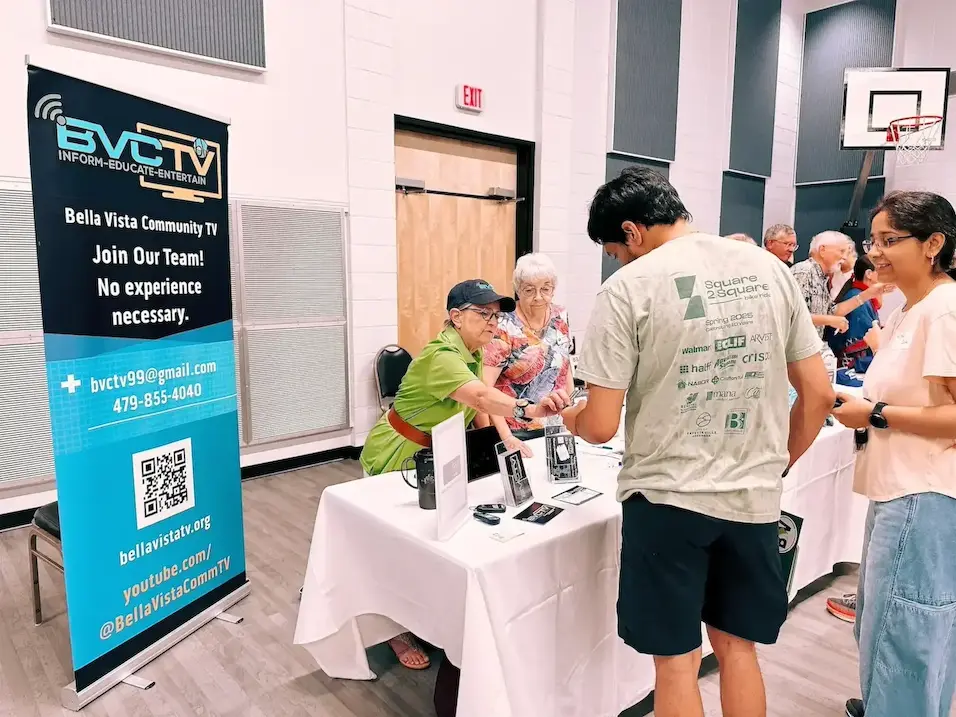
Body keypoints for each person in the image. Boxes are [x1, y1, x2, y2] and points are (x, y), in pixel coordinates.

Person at [561, 167, 834, 717]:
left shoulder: (627, 288)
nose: (619, 261)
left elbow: (599, 426)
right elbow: (819, 395)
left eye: (616, 250)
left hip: (667, 502)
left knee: (677, 662)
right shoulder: (768, 268)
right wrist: (775, 465)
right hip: (752, 500)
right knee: (738, 650)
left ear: (633, 232)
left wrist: (570, 415)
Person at [359, 279, 570, 669]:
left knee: (430, 539)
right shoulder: (443, 355)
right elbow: (480, 396)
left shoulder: (472, 352)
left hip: (436, 455)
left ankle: (427, 615)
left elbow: (476, 409)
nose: (492, 322)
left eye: (495, 314)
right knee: (392, 547)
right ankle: (390, 630)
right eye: (482, 314)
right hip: (398, 455)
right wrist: (529, 409)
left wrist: (505, 441)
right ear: (455, 317)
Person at [832, 190, 956, 717]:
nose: (876, 253)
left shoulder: (944, 311)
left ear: (933, 244)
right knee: (891, 622)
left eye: (890, 241)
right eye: (873, 240)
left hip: (920, 491)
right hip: (900, 489)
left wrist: (875, 414)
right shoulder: (915, 306)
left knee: (904, 627)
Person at [481, 253, 572, 457]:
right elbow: (485, 390)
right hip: (517, 431)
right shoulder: (504, 325)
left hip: (556, 427)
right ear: (517, 290)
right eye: (529, 290)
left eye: (545, 289)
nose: (539, 297)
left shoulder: (561, 315)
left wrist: (571, 413)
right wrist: (507, 438)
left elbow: (563, 366)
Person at [791, 231, 888, 339]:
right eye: (841, 251)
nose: (844, 257)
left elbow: (831, 312)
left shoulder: (822, 277)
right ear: (822, 250)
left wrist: (869, 294)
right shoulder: (804, 272)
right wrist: (830, 320)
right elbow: (791, 317)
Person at [825, 256, 882, 372]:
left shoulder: (861, 296)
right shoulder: (856, 299)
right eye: (881, 268)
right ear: (869, 274)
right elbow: (863, 341)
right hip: (852, 367)